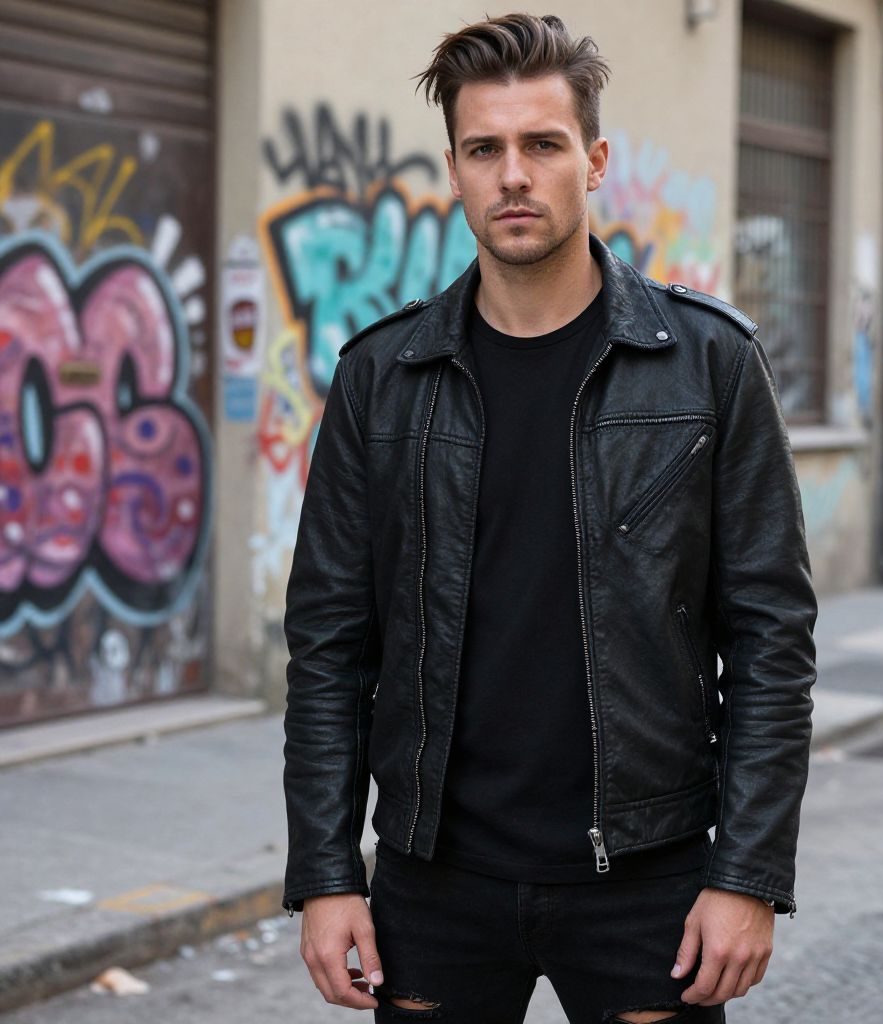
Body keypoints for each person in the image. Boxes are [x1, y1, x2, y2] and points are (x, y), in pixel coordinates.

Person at [281, 12, 817, 1024]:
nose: (513, 175)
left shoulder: (706, 364)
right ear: (454, 168)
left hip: (646, 880)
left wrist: (747, 873)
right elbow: (328, 646)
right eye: (485, 149)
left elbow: (769, 638)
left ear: (594, 158)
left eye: (542, 144)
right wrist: (324, 874)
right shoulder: (380, 380)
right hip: (432, 879)